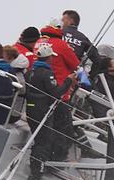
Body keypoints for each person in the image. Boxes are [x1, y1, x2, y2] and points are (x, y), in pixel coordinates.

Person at [25, 44, 77, 180]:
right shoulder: (46, 73)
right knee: (44, 143)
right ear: (48, 58)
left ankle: (33, 172)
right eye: (51, 58)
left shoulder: (30, 72)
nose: (52, 61)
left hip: (30, 110)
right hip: (42, 111)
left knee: (39, 141)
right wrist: (68, 81)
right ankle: (37, 178)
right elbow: (55, 93)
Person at [37, 21, 80, 161]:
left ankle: (41, 161)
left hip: (39, 95)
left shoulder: (39, 42)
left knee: (45, 130)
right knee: (63, 129)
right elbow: (76, 66)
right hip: (59, 94)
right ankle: (55, 161)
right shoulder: (61, 45)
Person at [3, 45, 29, 123]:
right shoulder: (19, 69)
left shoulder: (17, 74)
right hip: (13, 108)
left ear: (10, 58)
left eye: (3, 57)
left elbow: (22, 90)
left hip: (13, 113)